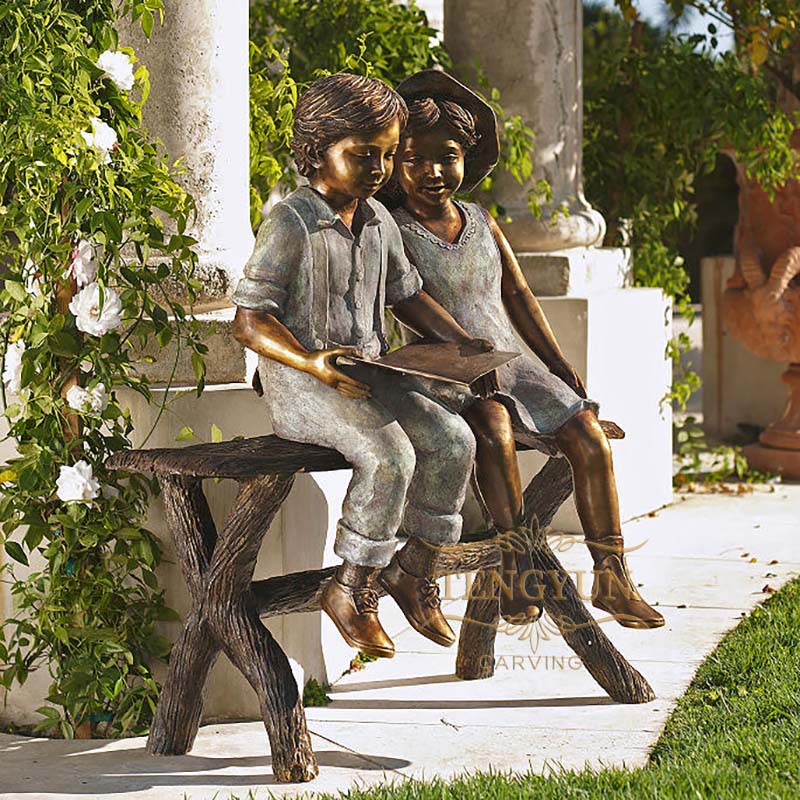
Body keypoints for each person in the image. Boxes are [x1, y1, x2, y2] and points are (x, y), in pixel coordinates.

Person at [385, 69, 664, 629]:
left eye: (449, 156)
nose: (434, 172)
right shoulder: (390, 228)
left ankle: (612, 576)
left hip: (514, 361)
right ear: (394, 163)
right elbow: (406, 303)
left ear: (467, 158)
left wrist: (557, 365)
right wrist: (466, 353)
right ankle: (516, 567)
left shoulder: (483, 222)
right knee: (493, 428)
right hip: (447, 373)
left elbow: (517, 295)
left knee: (586, 431)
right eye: (415, 159)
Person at [232, 73, 493, 659]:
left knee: (453, 440)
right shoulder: (291, 222)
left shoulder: (377, 220)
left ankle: (413, 570)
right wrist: (312, 361)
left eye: (386, 155)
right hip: (302, 382)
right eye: (361, 154)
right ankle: (352, 587)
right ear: (317, 148)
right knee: (391, 454)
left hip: (371, 371)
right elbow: (248, 321)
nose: (377, 168)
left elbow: (406, 295)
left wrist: (462, 342)